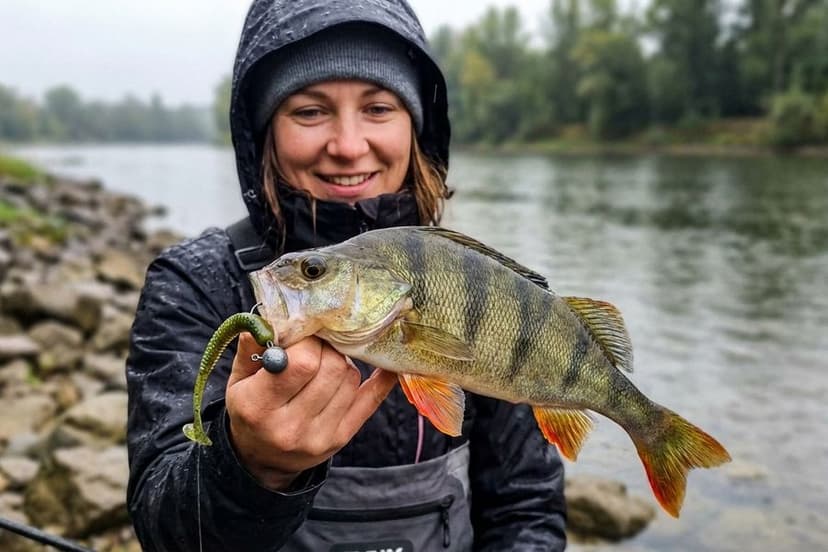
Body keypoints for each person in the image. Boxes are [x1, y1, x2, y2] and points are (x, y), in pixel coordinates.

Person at [126, 0, 567, 550]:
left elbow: (526, 508)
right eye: (310, 112)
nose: (349, 145)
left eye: (379, 108)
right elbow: (162, 527)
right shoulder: (192, 285)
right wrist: (249, 470)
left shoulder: (490, 291)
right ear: (263, 130)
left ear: (418, 127)